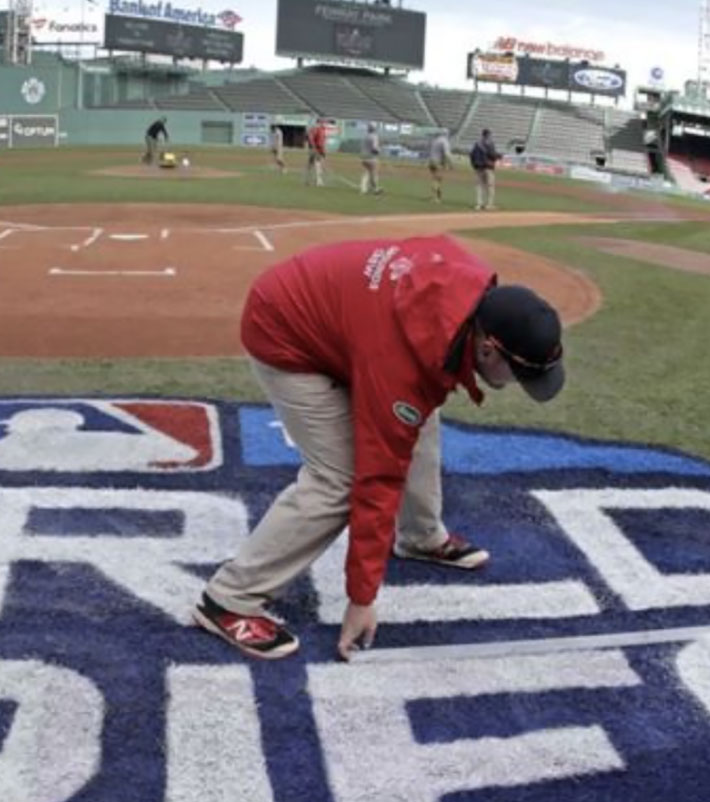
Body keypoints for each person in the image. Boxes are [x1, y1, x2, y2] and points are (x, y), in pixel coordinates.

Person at [191, 235, 568, 662]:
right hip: (283, 327)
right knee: (339, 477)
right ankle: (228, 599)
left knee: (420, 417)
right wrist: (361, 598)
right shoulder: (402, 365)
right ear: (487, 348)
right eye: (518, 374)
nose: (517, 384)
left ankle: (420, 536)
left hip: (344, 317)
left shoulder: (469, 290)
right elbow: (378, 478)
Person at [469, 129, 501, 211]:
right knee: (490, 186)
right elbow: (492, 154)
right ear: (488, 135)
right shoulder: (490, 143)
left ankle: (479, 204)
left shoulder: (477, 144)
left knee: (479, 186)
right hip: (488, 167)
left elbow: (471, 155)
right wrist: (499, 156)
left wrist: (474, 165)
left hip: (478, 167)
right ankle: (489, 204)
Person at [427, 128, 452, 203]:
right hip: (438, 162)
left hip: (431, 161)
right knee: (437, 180)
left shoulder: (435, 140)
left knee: (435, 179)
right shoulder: (445, 141)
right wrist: (450, 163)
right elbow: (447, 154)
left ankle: (435, 197)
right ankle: (436, 198)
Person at [360, 122, 383, 196]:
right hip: (371, 158)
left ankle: (363, 188)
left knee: (367, 173)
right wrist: (379, 151)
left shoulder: (366, 136)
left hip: (363, 158)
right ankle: (375, 189)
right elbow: (374, 148)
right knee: (373, 173)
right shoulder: (374, 136)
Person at [306, 119, 330, 188]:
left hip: (313, 149)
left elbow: (310, 139)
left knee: (311, 165)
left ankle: (308, 180)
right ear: (319, 123)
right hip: (317, 149)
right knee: (317, 165)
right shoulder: (318, 130)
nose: (324, 124)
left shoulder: (314, 129)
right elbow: (319, 142)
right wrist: (321, 151)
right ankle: (318, 181)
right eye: (323, 122)